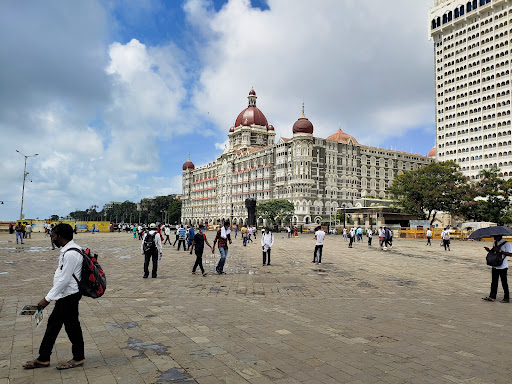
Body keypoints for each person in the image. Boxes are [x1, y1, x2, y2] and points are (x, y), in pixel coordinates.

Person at [22, 223, 86, 370]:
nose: (52, 239)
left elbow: (64, 280)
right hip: (66, 295)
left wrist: (47, 299)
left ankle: (77, 357)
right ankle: (44, 357)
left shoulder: (71, 253)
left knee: (69, 327)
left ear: (60, 236)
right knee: (57, 325)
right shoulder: (69, 250)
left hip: (69, 295)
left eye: (53, 236)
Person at [482, 235, 511, 303]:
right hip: (495, 265)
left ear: (500, 235)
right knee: (494, 282)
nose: (494, 237)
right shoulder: (495, 243)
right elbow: (494, 253)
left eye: (495, 236)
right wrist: (489, 250)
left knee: (504, 282)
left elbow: (510, 254)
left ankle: (506, 298)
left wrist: (500, 251)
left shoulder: (507, 243)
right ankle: (492, 296)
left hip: (503, 266)